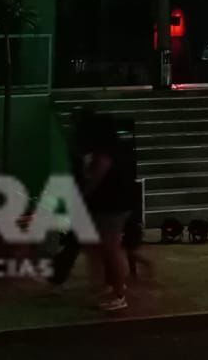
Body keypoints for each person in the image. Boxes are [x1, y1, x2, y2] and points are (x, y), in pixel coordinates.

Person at [77, 111, 136, 311]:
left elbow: (95, 179)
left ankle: (119, 293)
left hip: (110, 206)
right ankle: (115, 287)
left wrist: (84, 195)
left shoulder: (103, 153)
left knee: (111, 249)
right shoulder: (121, 148)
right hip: (118, 204)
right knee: (110, 248)